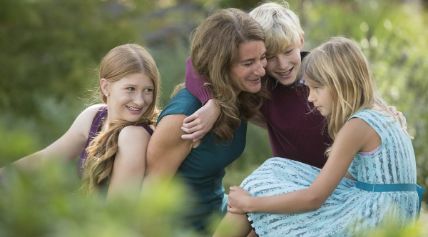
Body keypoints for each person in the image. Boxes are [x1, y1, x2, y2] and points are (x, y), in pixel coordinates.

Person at [213, 37, 424, 237]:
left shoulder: (358, 125)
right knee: (275, 171)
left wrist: (249, 203)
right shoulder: (380, 113)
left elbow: (314, 198)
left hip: (372, 217)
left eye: (316, 88)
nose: (311, 98)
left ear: (341, 84)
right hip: (386, 209)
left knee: (260, 186)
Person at [144, 8, 267, 233]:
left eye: (263, 58)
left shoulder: (237, 97)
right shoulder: (185, 116)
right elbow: (149, 196)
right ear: (220, 67)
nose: (260, 69)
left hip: (217, 216)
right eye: (248, 63)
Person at [182, 1, 331, 169]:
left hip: (343, 175)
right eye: (270, 56)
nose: (282, 64)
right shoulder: (261, 86)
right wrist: (212, 102)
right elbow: (193, 65)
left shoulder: (326, 73)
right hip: (293, 180)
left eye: (288, 51)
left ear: (301, 40)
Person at [1, 44, 160, 199]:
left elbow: (118, 212)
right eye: (130, 89)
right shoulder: (95, 116)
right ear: (106, 87)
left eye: (148, 90)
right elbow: (44, 161)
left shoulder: (134, 135)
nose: (140, 101)